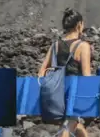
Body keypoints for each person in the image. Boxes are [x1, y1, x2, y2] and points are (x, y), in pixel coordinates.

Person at [38, 9, 92, 137]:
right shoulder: (83, 46)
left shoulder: (55, 46)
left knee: (76, 125)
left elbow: (41, 72)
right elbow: (86, 76)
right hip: (74, 92)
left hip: (56, 93)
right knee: (69, 125)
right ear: (79, 24)